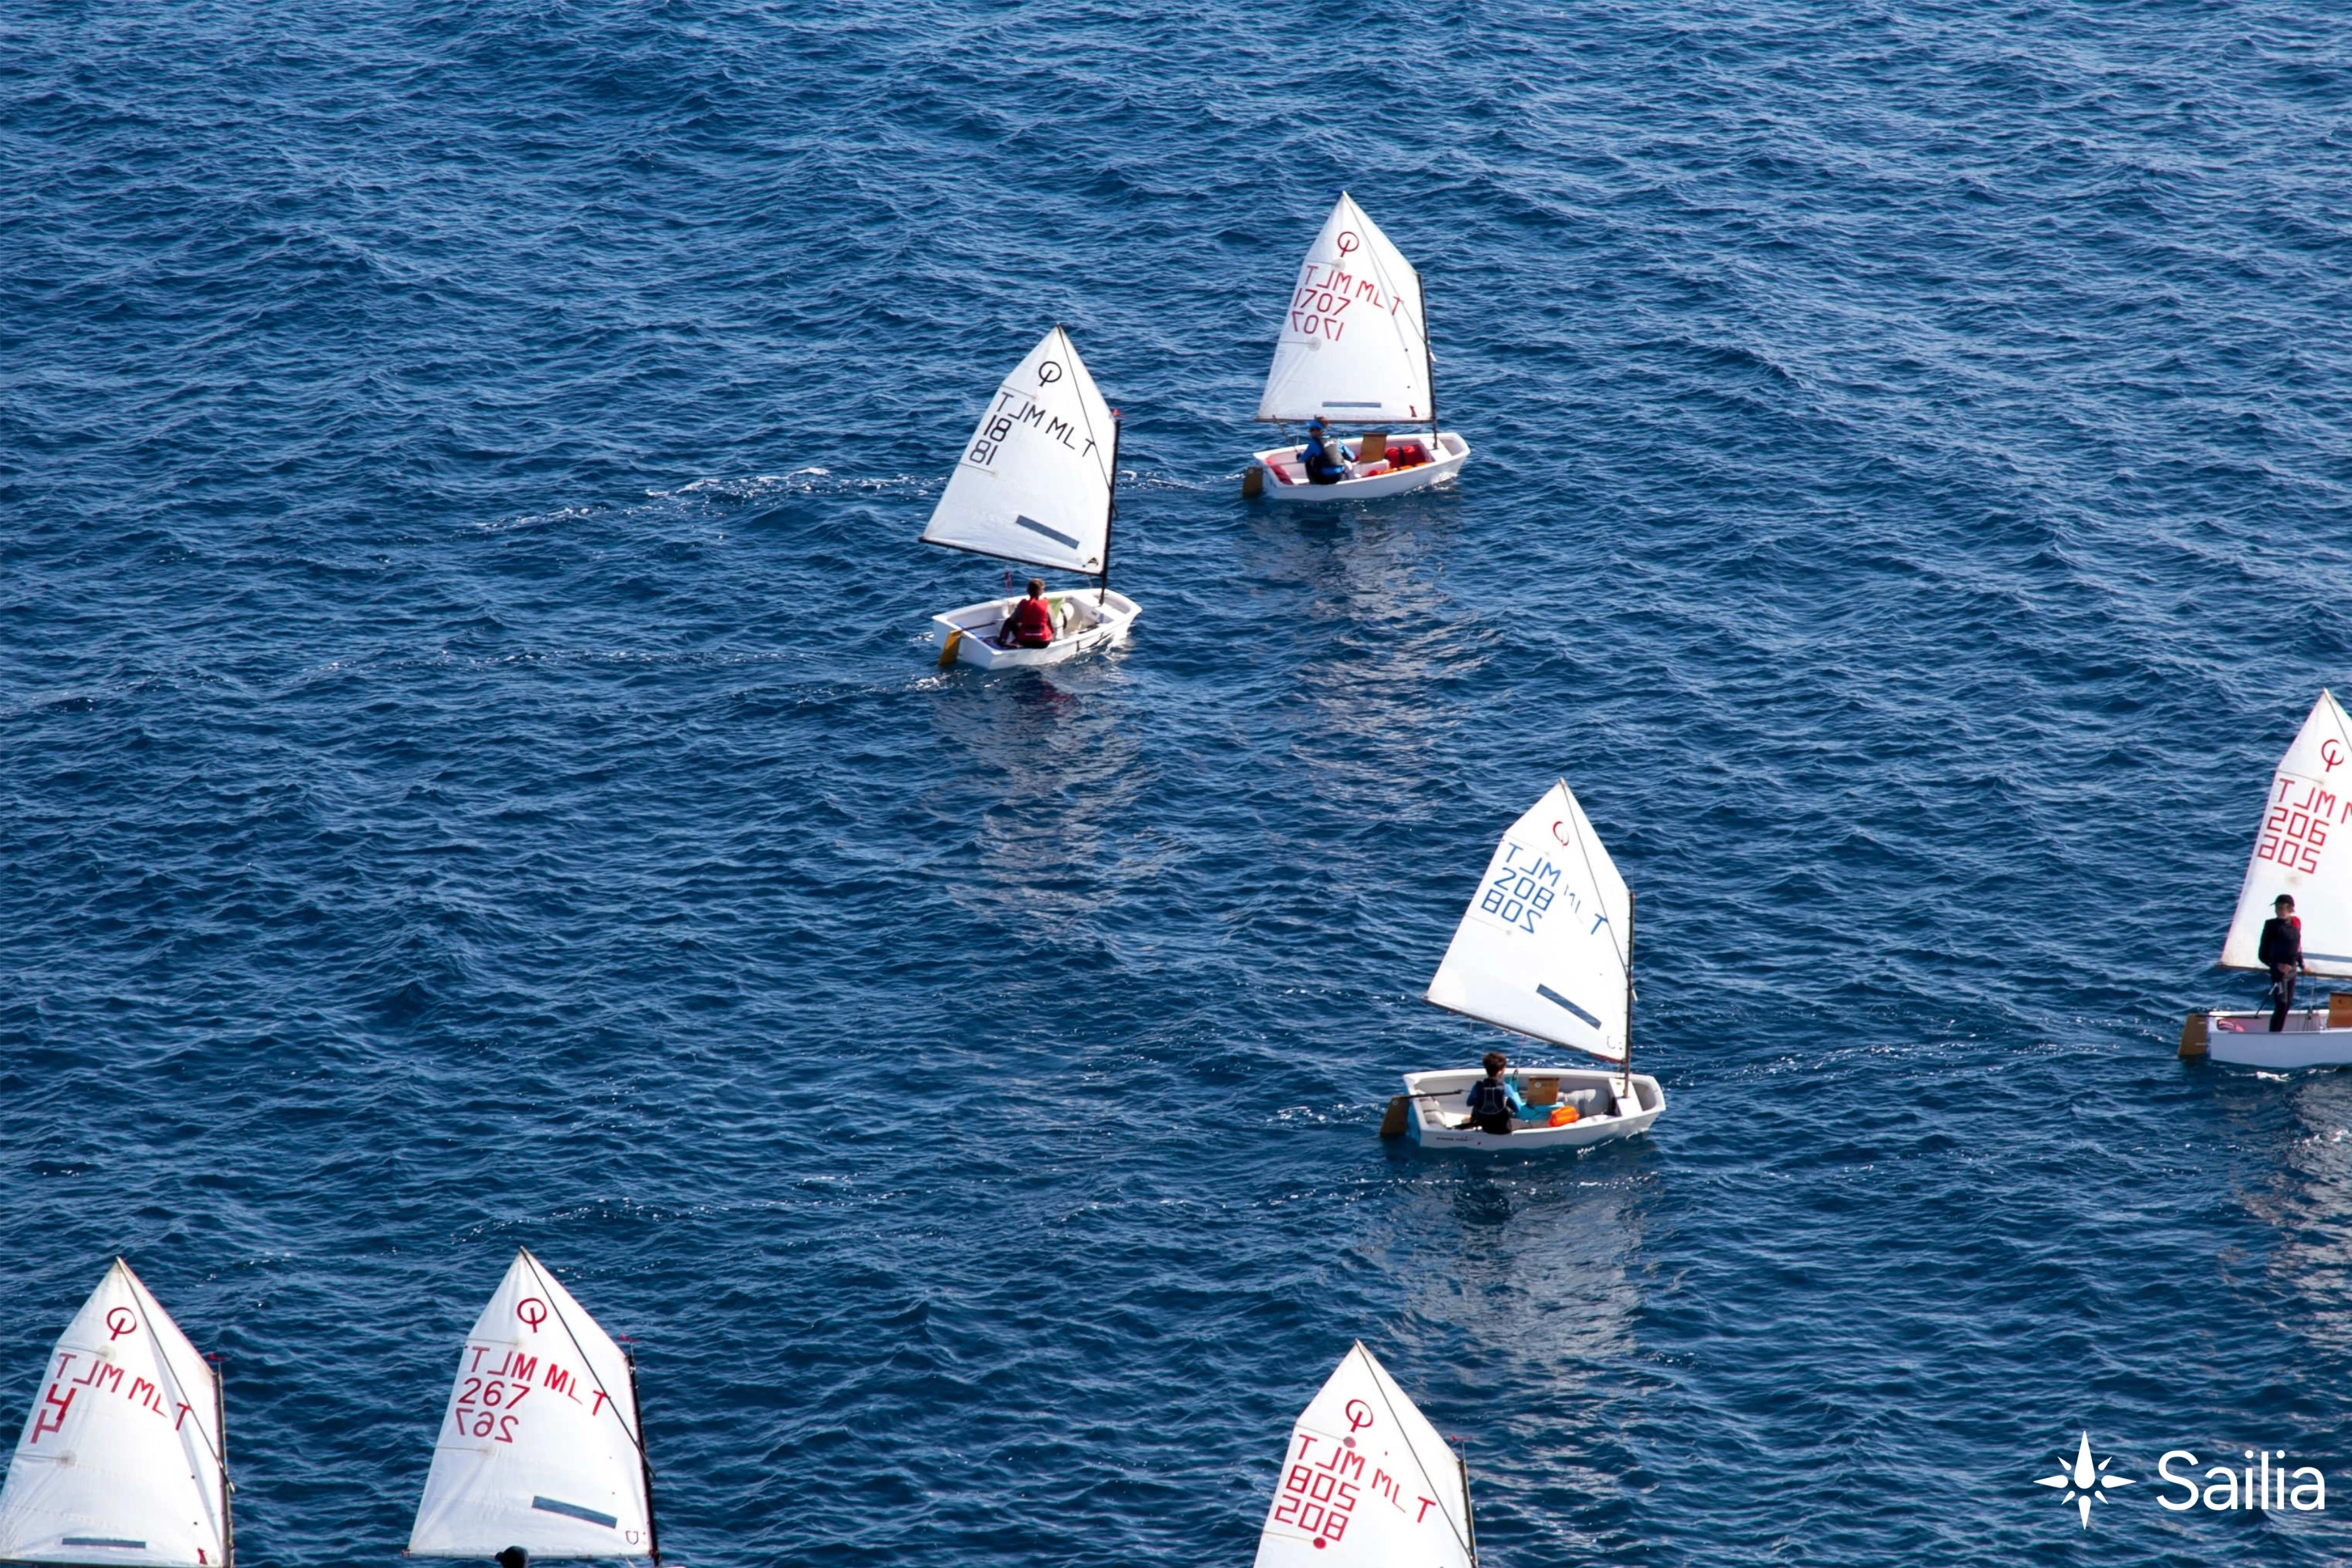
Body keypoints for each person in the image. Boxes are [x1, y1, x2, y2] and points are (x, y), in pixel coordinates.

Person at [2261, 892, 2304, 1032]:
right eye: (2277, 907)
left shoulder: (2296, 923)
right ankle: (2274, 1035)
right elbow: (2262, 955)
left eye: (2281, 907)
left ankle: (2278, 1034)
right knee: (2282, 1004)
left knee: (2288, 1004)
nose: (2278, 910)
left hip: (2292, 971)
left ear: (2291, 909)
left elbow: (2298, 948)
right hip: (2279, 972)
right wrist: (2278, 965)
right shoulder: (2271, 926)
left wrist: (2303, 965)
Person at [1461, 1051, 1524, 1135]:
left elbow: (1469, 1103)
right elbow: (1518, 1109)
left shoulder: (1477, 1087)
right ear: (1500, 1071)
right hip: (1503, 1129)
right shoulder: (1506, 1088)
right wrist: (1514, 1094)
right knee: (1525, 1123)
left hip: (1485, 1126)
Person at [999, 578, 1055, 649]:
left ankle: (1002, 643)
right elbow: (1053, 623)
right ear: (1041, 592)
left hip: (1025, 641)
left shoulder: (1023, 604)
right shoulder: (1046, 605)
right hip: (1044, 642)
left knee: (1009, 621)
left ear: (1027, 591)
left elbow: (1013, 619)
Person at [1300, 416, 1348, 485]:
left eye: (1311, 429)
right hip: (1338, 477)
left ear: (1320, 431)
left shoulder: (1314, 443)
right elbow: (1351, 456)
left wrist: (1299, 456)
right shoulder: (1337, 440)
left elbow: (1302, 459)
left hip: (1323, 480)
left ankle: (1313, 484)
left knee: (1308, 461)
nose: (1309, 432)